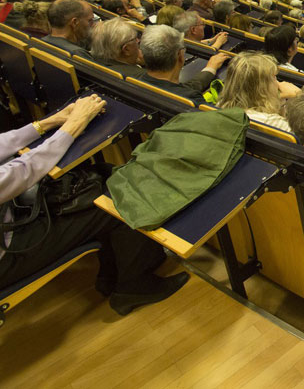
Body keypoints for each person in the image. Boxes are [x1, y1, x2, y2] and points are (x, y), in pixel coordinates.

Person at [0, 95, 189, 315]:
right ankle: (134, 285)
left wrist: (48, 123)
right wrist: (72, 125)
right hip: (8, 252)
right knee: (122, 198)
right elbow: (23, 171)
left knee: (104, 176)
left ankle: (112, 275)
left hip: (10, 220)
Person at [137, 25, 229, 101]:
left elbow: (184, 88)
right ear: (180, 56)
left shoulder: (134, 80)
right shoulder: (190, 98)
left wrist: (210, 68)